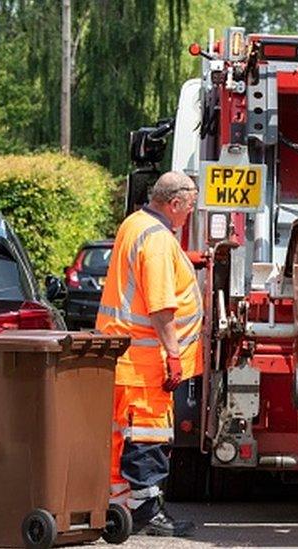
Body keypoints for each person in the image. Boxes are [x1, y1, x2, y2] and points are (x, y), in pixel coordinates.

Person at [96, 171, 204, 537]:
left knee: (121, 437)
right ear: (174, 204)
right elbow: (160, 307)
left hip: (124, 357)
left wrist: (189, 259)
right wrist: (174, 355)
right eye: (188, 208)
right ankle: (145, 512)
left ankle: (120, 507)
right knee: (147, 438)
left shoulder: (136, 224)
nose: (189, 215)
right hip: (146, 363)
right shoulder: (158, 240)